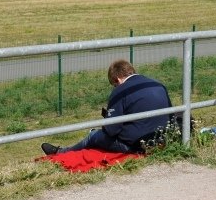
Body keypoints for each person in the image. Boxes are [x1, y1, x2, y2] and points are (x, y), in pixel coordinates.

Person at [41, 60, 173, 155]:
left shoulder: (120, 90)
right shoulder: (157, 84)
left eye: (113, 85)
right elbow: (170, 114)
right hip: (162, 139)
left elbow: (111, 130)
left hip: (136, 145)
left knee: (94, 135)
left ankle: (60, 152)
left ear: (117, 80)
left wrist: (105, 123)